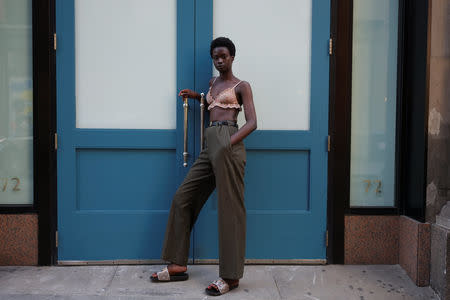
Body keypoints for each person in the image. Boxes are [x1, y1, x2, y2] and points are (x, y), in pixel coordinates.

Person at [151, 37, 257, 296]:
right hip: (210, 145)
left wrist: (228, 143)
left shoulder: (242, 86)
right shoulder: (212, 83)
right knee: (182, 198)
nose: (219, 60)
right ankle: (178, 264)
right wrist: (196, 96)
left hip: (228, 142)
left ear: (232, 57)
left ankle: (230, 277)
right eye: (215, 57)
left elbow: (252, 122)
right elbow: (213, 103)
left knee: (229, 210)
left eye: (224, 56)